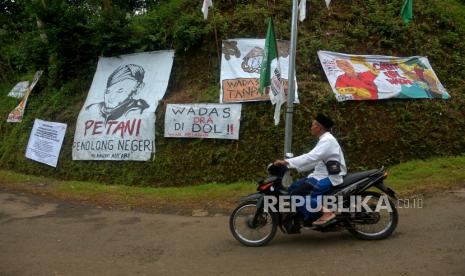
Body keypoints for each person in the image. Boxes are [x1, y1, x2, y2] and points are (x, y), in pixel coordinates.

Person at [274, 113, 347, 227]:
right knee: (293, 187)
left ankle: (326, 212)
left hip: (328, 177)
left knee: (296, 195)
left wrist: (287, 162)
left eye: (313, 125)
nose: (311, 127)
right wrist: (289, 166)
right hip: (319, 174)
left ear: (319, 127)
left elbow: (310, 157)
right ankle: (300, 215)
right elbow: (314, 161)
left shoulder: (327, 140)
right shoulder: (324, 139)